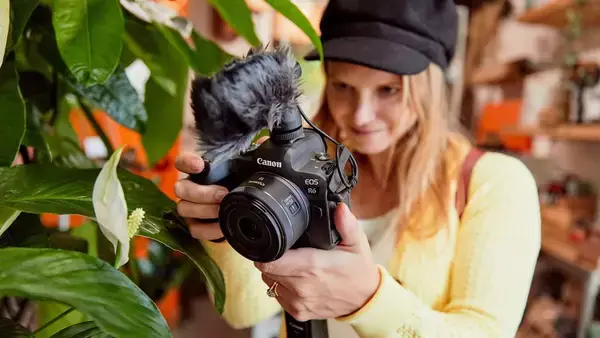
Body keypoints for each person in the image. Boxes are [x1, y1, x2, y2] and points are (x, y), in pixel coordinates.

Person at [174, 0, 542, 336]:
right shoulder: (306, 165)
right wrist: (231, 219)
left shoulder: (495, 184)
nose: (361, 117)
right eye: (343, 86)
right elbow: (244, 311)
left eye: (388, 90)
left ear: (429, 87)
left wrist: (368, 301)